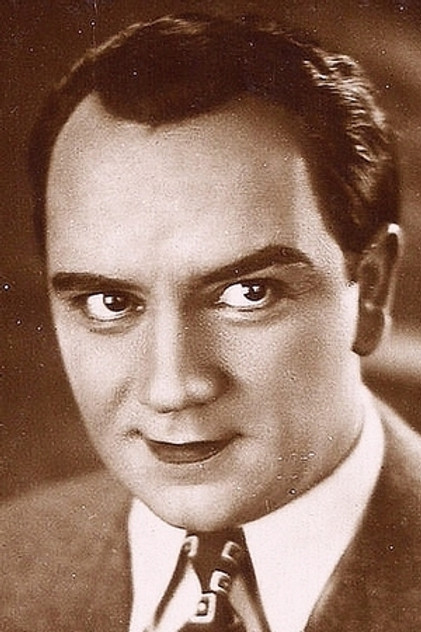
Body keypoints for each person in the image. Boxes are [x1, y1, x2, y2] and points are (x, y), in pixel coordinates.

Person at [2, 12, 421, 632]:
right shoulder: (11, 561)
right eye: (109, 303)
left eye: (250, 294)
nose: (172, 388)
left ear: (371, 290)